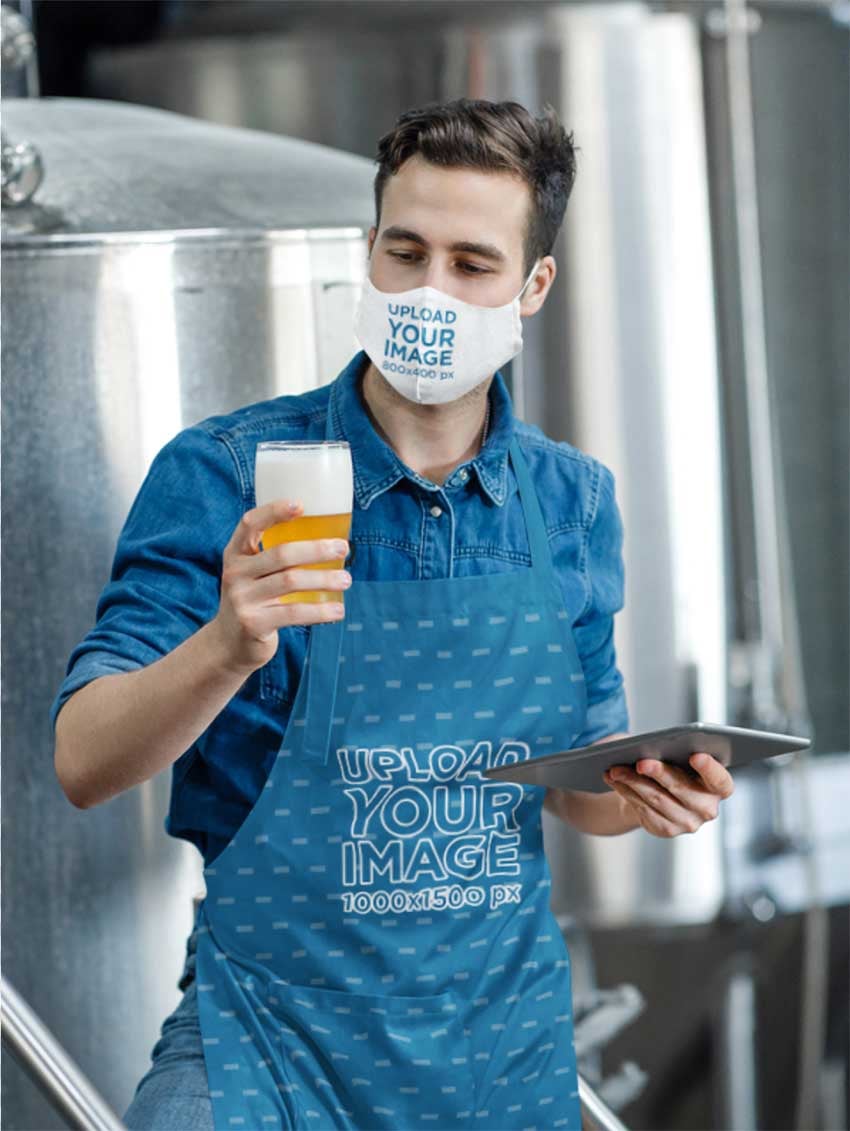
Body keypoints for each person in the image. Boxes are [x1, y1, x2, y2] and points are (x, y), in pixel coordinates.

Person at [52, 99, 734, 1131]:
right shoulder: (225, 472)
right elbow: (82, 760)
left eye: (471, 265)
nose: (429, 292)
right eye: (405, 253)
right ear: (367, 252)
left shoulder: (572, 502)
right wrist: (228, 645)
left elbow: (577, 780)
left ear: (533, 286)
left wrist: (642, 796)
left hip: (495, 1054)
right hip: (267, 1046)